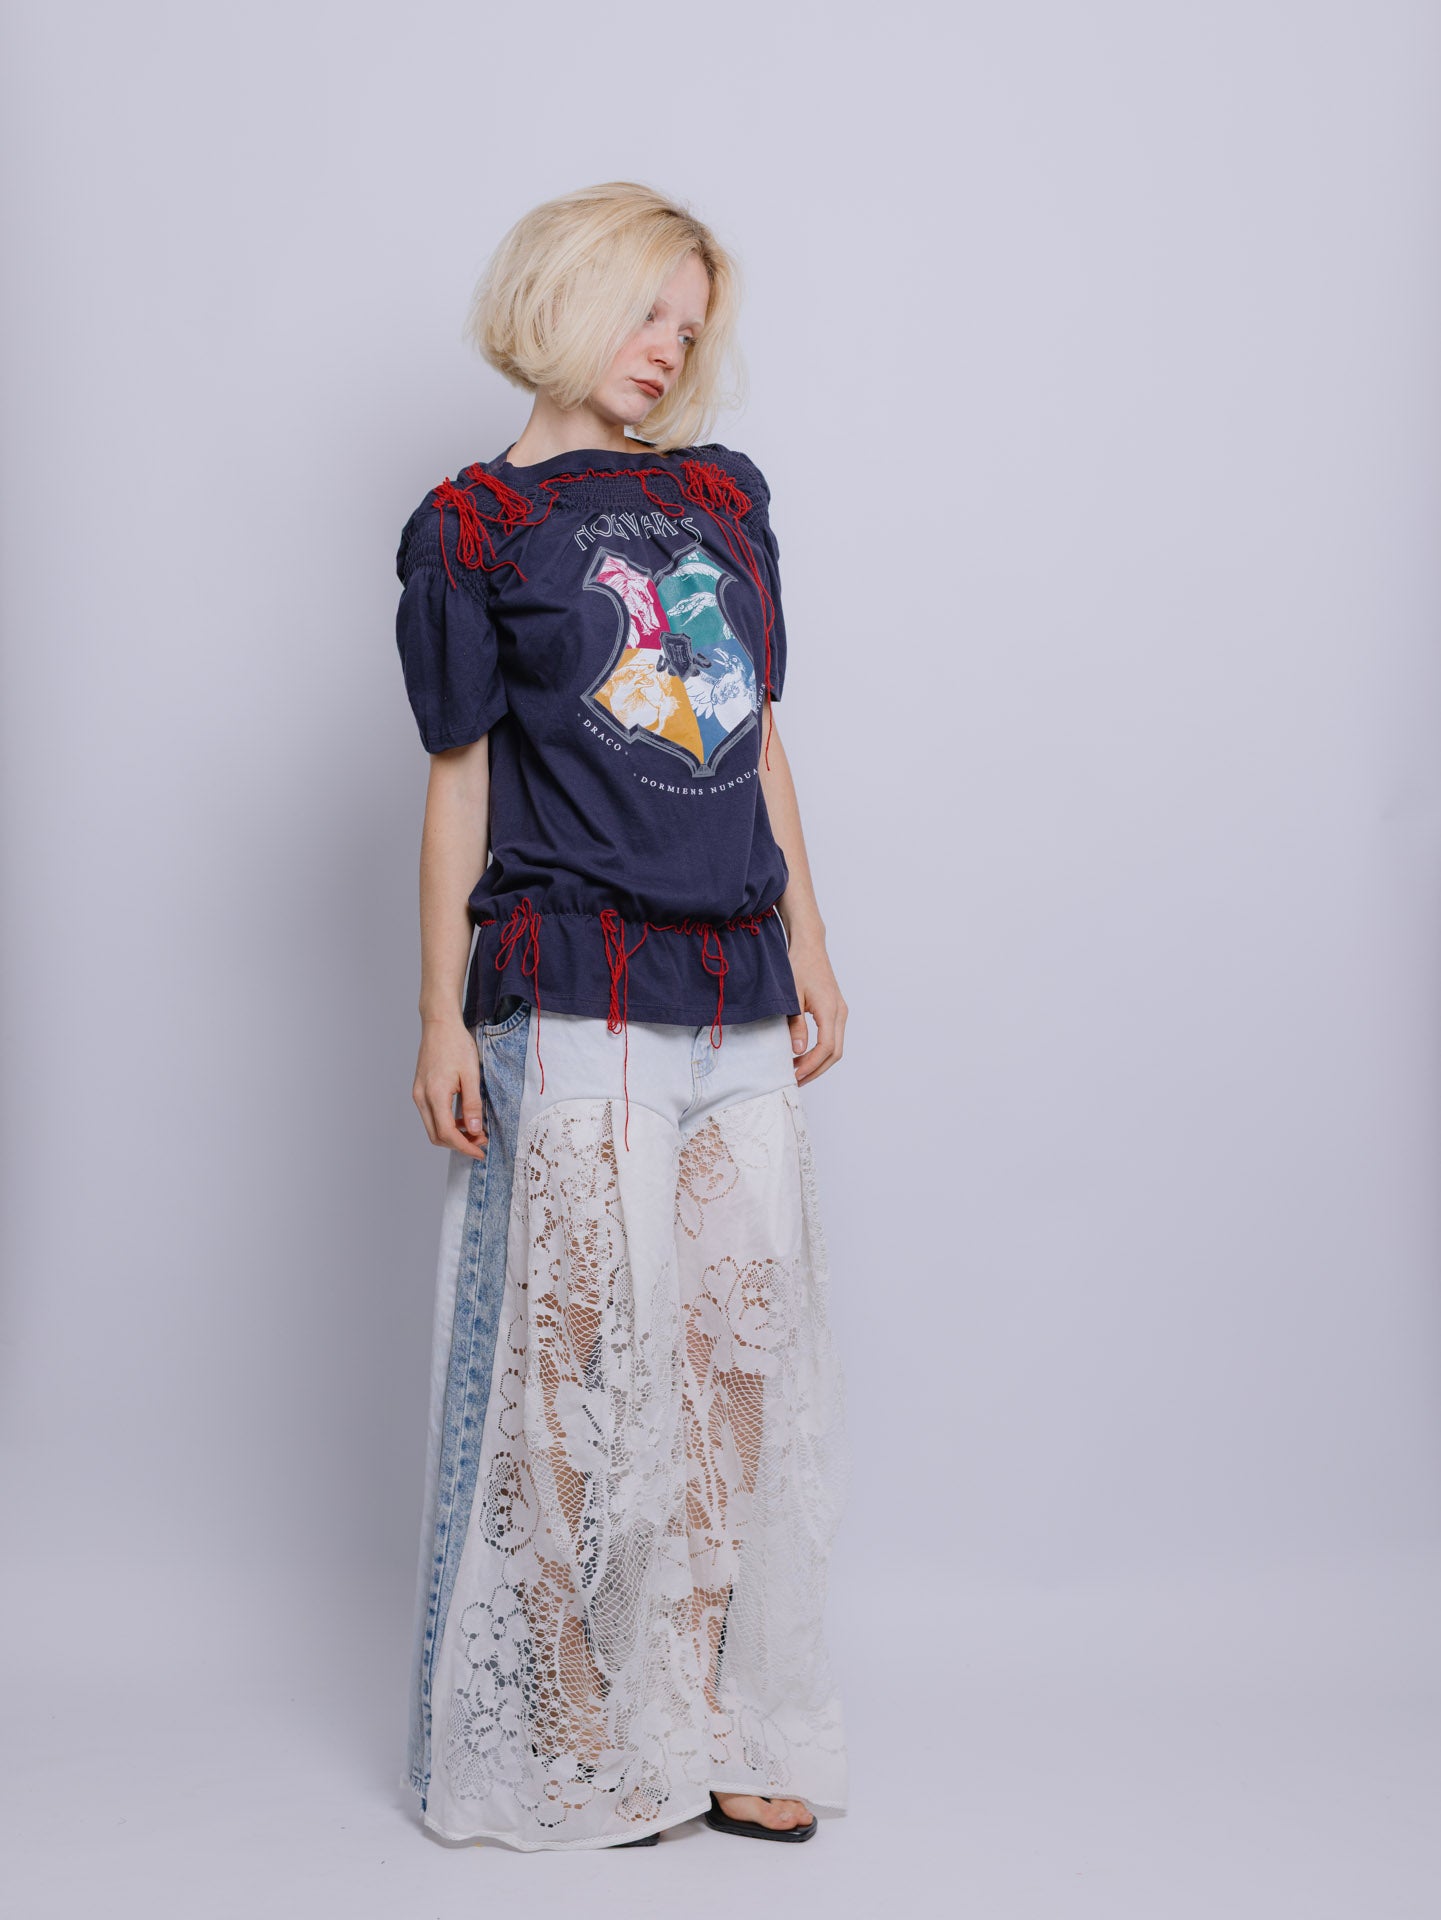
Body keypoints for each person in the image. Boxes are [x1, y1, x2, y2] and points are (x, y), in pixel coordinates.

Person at [393, 181, 851, 1854]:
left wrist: (811, 941)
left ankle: (706, 1711)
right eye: (642, 310)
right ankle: (583, 1721)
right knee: (583, 1361)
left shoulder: (721, 499)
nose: (665, 349)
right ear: (559, 296)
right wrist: (439, 1017)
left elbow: (755, 734)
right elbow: (457, 781)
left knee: (735, 1361)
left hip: (734, 986)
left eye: (687, 324)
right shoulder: (473, 528)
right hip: (574, 984)